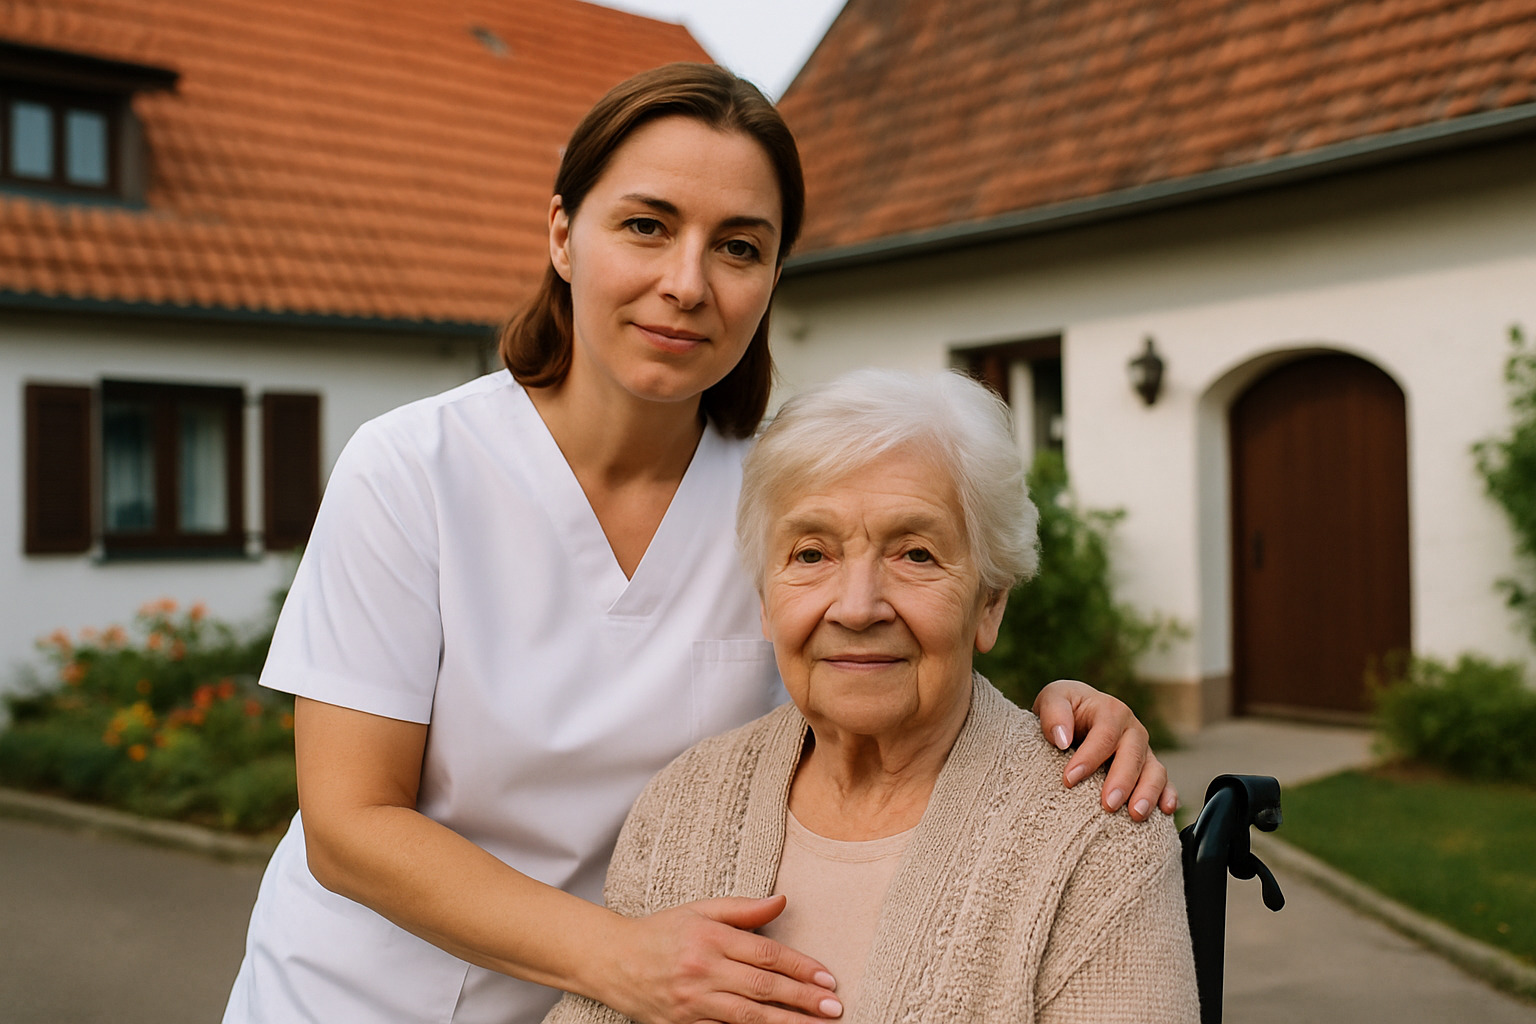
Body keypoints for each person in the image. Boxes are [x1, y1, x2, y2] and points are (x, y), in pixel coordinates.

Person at [223, 63, 1177, 1024]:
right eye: (646, 226)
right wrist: (617, 955)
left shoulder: (780, 500)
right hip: (367, 999)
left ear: (770, 277)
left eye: (737, 247)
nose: (686, 284)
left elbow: (887, 644)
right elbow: (348, 827)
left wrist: (1063, 718)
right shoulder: (412, 469)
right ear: (563, 235)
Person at [544, 368, 1200, 1024]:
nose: (857, 608)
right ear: (766, 600)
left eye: (915, 554)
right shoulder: (682, 803)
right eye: (811, 555)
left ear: (990, 601)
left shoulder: (1095, 833)